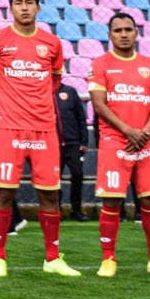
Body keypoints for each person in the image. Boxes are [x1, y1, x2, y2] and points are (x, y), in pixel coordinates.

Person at [0, 0, 79, 278]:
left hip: (43, 129)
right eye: (19, 3)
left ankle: (52, 257)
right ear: (11, 9)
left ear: (38, 8)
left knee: (49, 194)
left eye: (29, 3)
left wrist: (34, 105)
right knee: (4, 193)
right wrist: (4, 106)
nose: (24, 7)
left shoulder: (51, 43)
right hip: (7, 129)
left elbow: (56, 81)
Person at [88, 11, 150, 277]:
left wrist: (144, 131)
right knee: (112, 200)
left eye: (128, 29)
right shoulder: (101, 64)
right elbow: (98, 104)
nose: (124, 34)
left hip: (146, 139)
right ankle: (108, 259)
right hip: (115, 139)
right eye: (118, 31)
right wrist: (129, 130)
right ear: (110, 35)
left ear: (136, 33)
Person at [55, 80, 89, 222]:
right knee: (54, 180)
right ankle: (56, 210)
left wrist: (83, 141)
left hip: (73, 144)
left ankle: (76, 210)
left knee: (78, 175)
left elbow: (81, 117)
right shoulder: (41, 92)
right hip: (53, 145)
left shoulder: (70, 91)